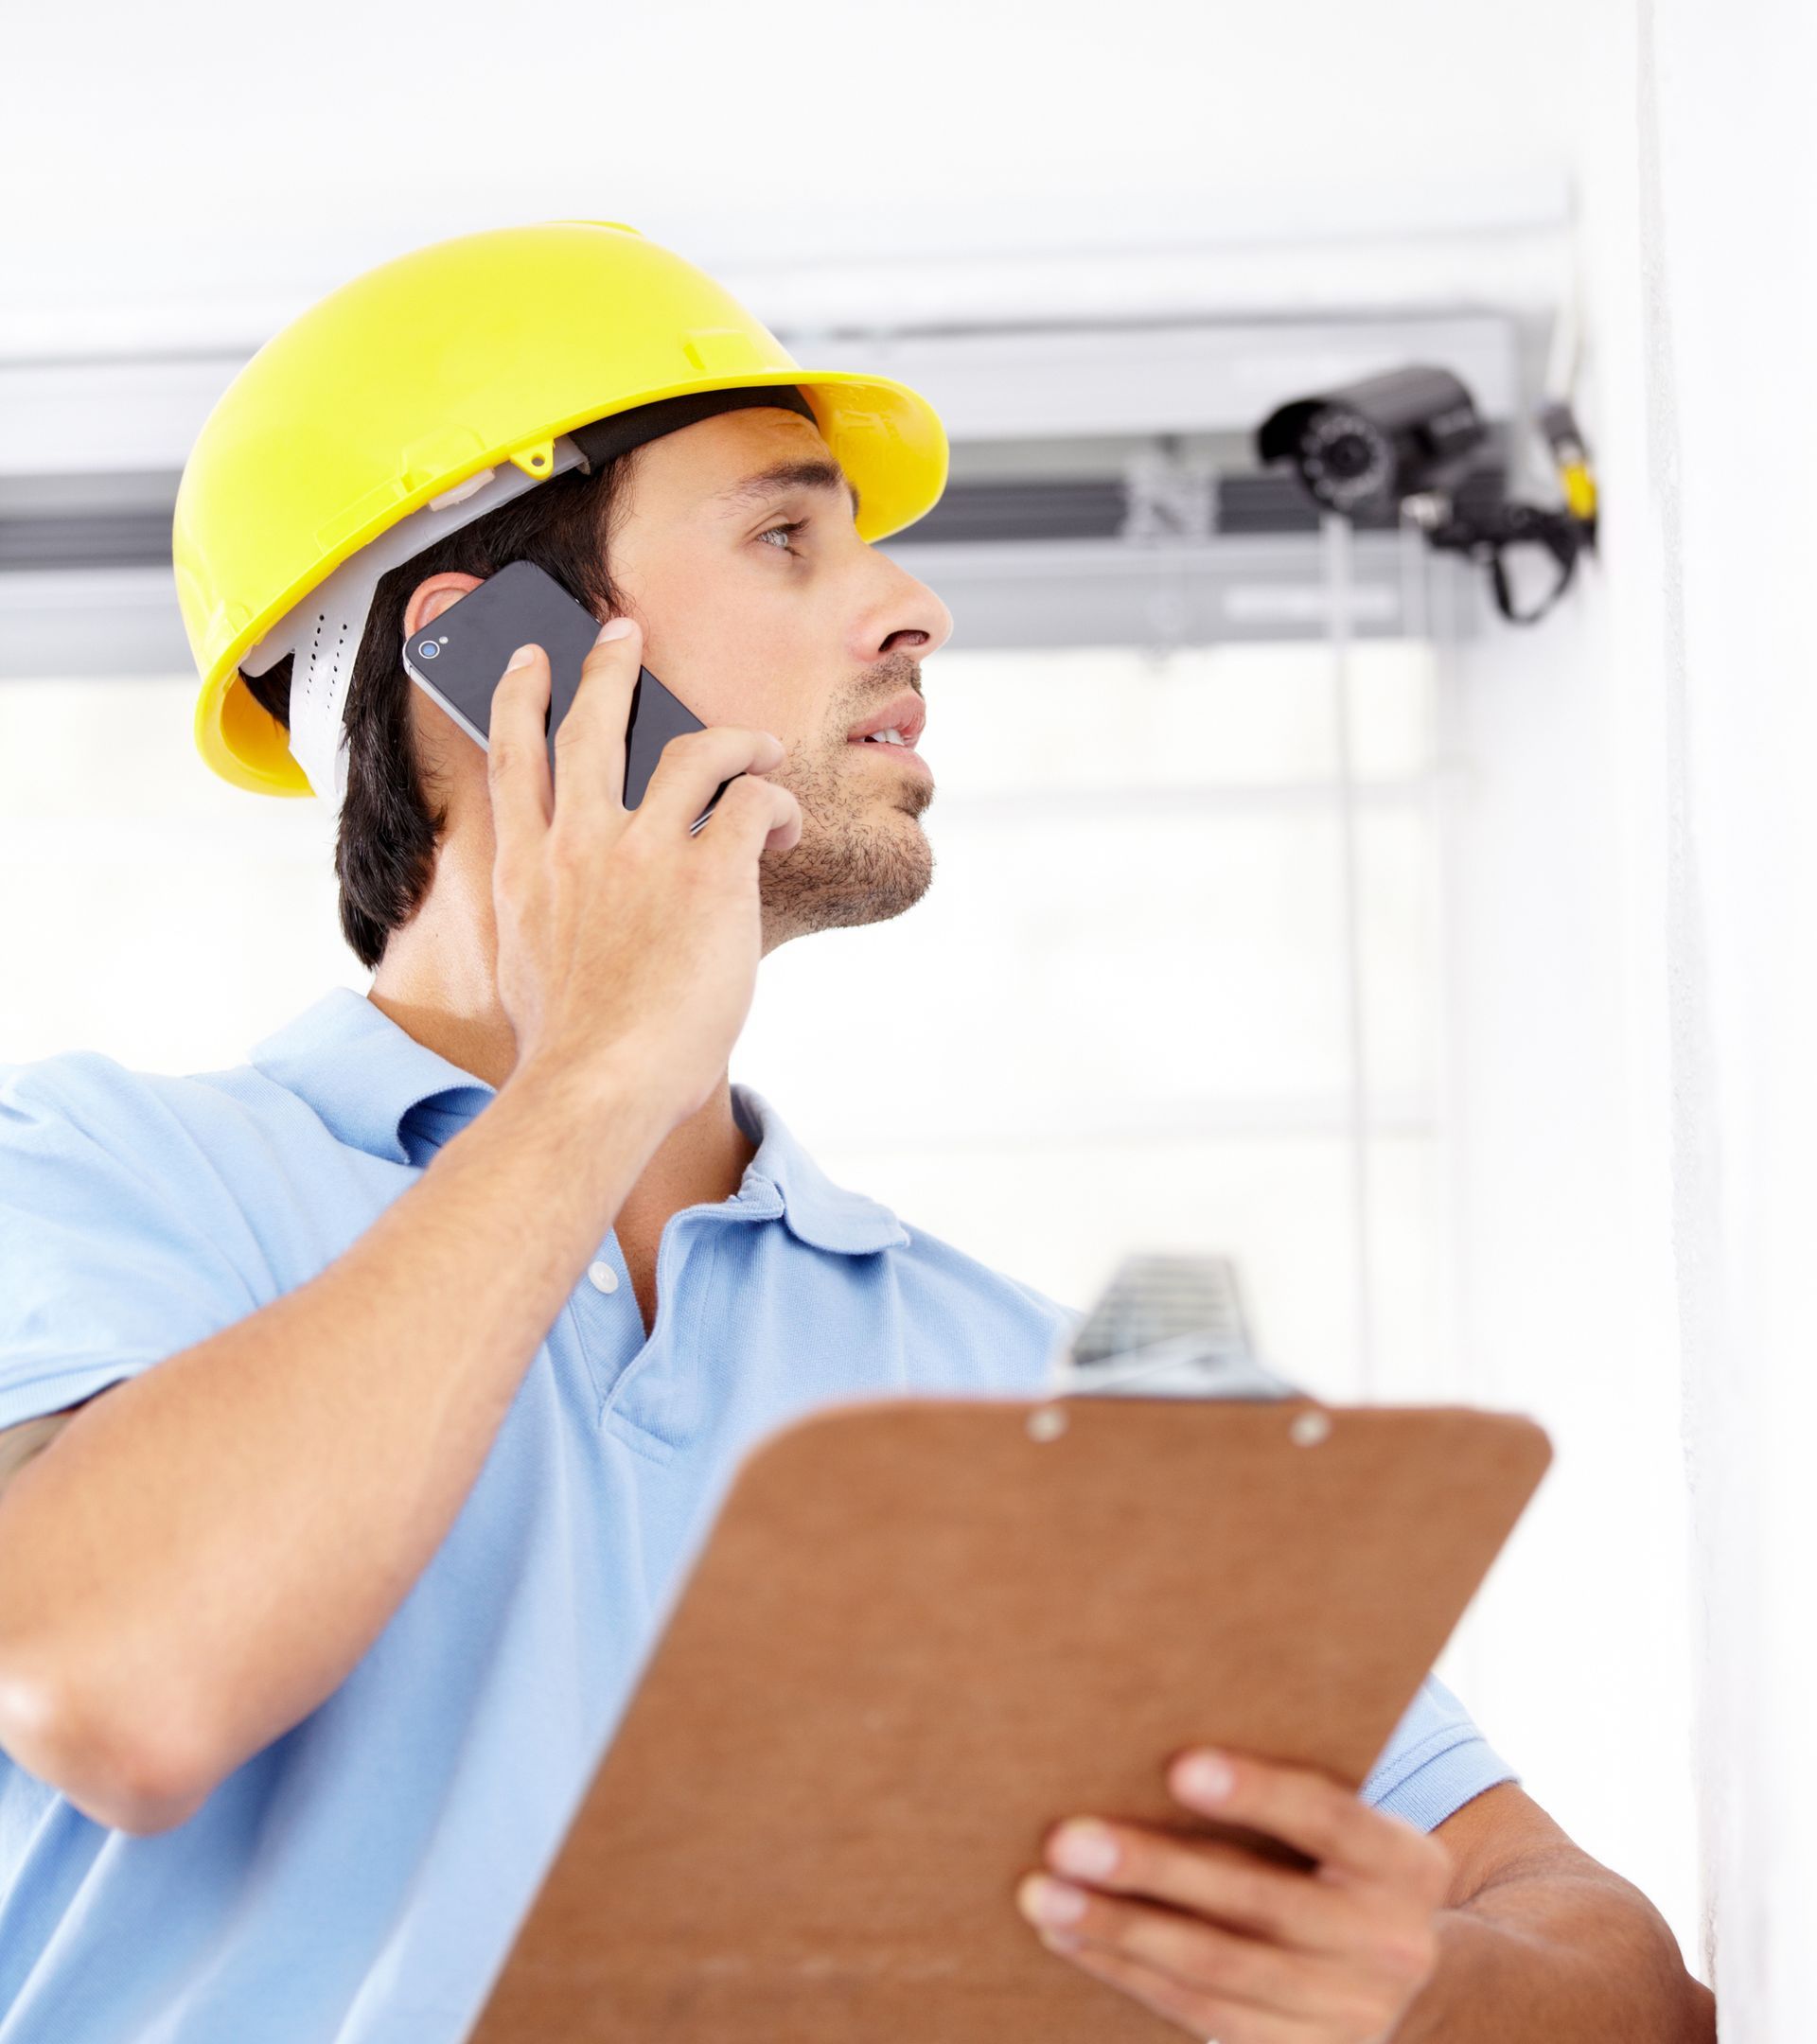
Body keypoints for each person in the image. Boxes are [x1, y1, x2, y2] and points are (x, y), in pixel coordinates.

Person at [0, 223, 1712, 2043]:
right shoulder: (93, 1182)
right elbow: (117, 1693)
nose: (914, 607)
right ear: (491, 655)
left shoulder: (1023, 1382)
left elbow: (1626, 1980)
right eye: (784, 536)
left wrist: (1415, 1990)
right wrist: (596, 1072)